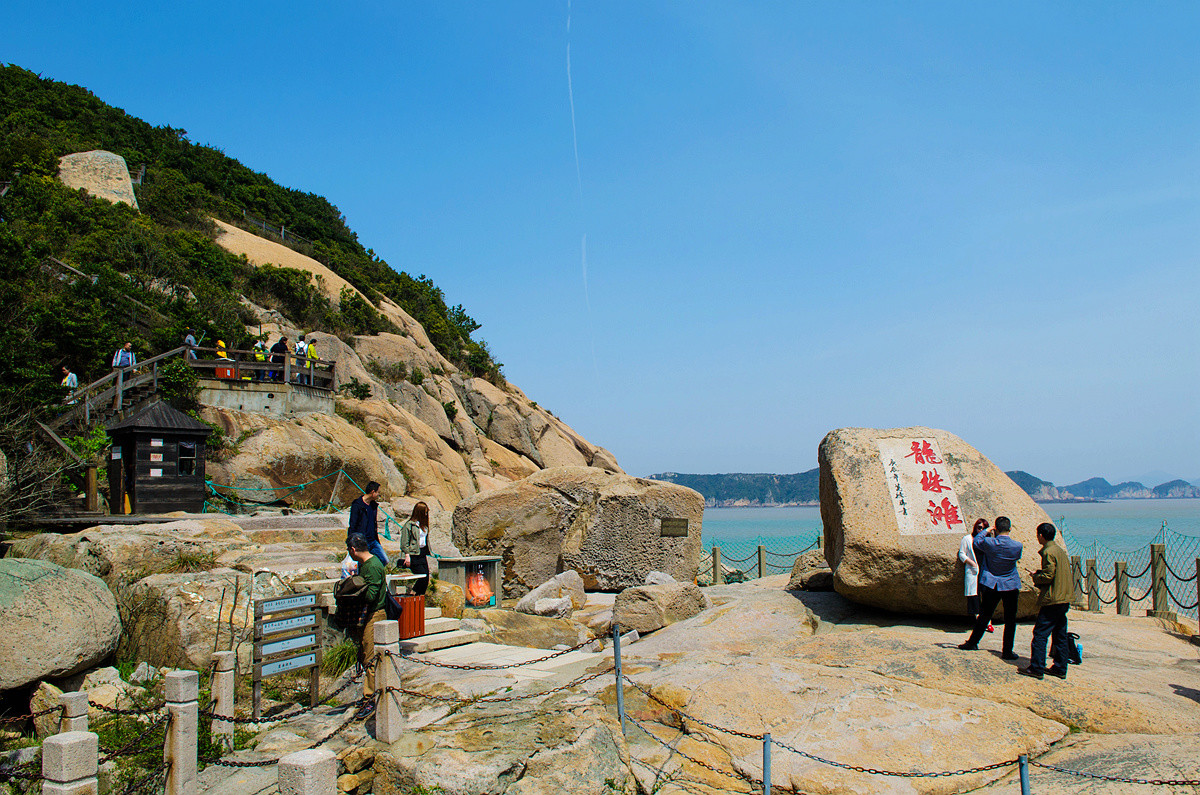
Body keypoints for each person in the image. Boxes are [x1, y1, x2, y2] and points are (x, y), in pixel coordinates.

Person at [959, 515, 1023, 659]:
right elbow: (1017, 557)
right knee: (1010, 619)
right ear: (1010, 529)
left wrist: (987, 530)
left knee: (984, 615)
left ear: (996, 529)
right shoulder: (1017, 546)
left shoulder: (989, 543)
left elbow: (976, 542)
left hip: (992, 584)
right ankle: (1007, 651)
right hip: (1010, 584)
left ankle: (972, 642)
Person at [1020, 522, 1072, 680]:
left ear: (1041, 535)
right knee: (1060, 634)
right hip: (1064, 598)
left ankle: (1036, 667)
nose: (1037, 537)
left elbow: (1049, 575)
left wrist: (1036, 576)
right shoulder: (1059, 550)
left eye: (1038, 535)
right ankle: (1060, 667)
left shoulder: (1048, 552)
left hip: (1053, 599)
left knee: (1040, 634)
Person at [346, 533, 386, 716]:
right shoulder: (367, 564)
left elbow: (371, 595)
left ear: (353, 549)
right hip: (369, 615)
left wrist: (354, 587)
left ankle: (370, 697)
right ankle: (369, 695)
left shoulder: (373, 566)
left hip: (375, 615)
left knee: (370, 656)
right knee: (365, 653)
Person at [959, 518, 994, 633]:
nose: (981, 530)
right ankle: (980, 621)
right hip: (973, 571)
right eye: (979, 527)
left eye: (984, 528)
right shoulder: (967, 539)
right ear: (975, 527)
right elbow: (962, 554)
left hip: (985, 572)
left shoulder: (988, 541)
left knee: (987, 597)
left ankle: (988, 622)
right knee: (974, 597)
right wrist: (971, 562)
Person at [348, 481, 387, 566]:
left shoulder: (373, 505)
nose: (378, 495)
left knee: (384, 560)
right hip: (362, 540)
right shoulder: (357, 505)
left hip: (373, 539)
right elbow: (353, 524)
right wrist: (351, 541)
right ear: (373, 492)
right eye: (378, 493)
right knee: (361, 564)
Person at [400, 501, 434, 596]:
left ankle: (420, 597)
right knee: (422, 576)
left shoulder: (424, 525)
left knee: (426, 578)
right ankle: (413, 593)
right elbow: (404, 543)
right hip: (413, 554)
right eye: (425, 512)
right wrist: (407, 556)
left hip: (422, 553)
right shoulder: (409, 525)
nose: (426, 514)